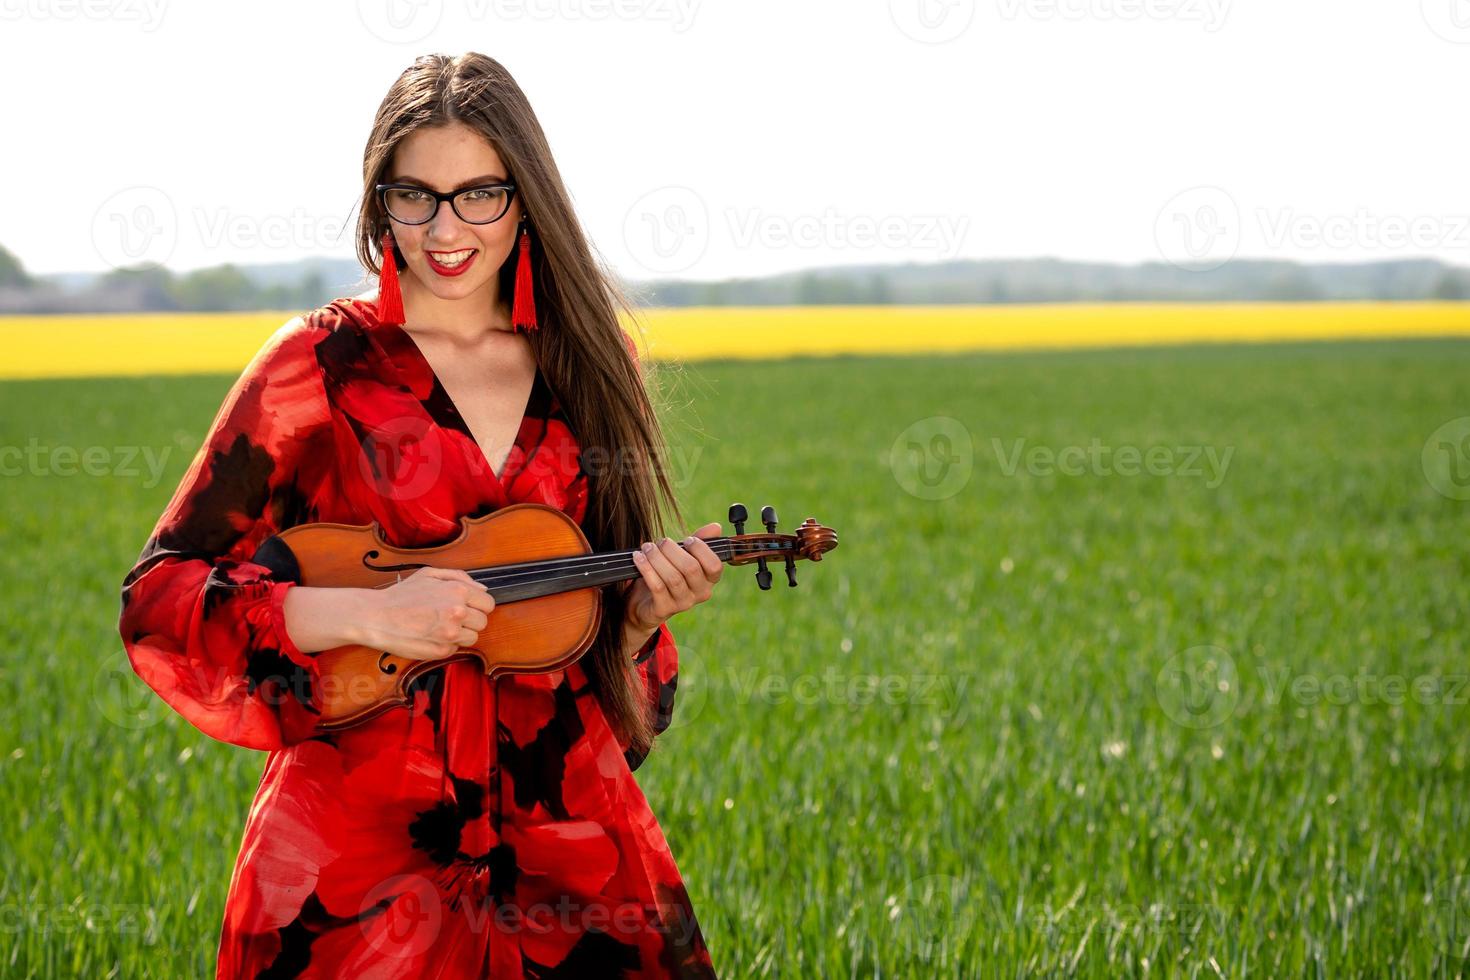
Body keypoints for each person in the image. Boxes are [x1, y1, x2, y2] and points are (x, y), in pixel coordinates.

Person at [117, 52, 722, 978]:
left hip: (567, 846)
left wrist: (638, 621)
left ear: (525, 199)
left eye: (479, 193)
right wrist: (371, 613)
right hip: (356, 856)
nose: (446, 228)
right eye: (416, 196)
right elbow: (163, 595)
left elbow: (621, 703)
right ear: (379, 203)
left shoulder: (592, 372)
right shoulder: (316, 366)